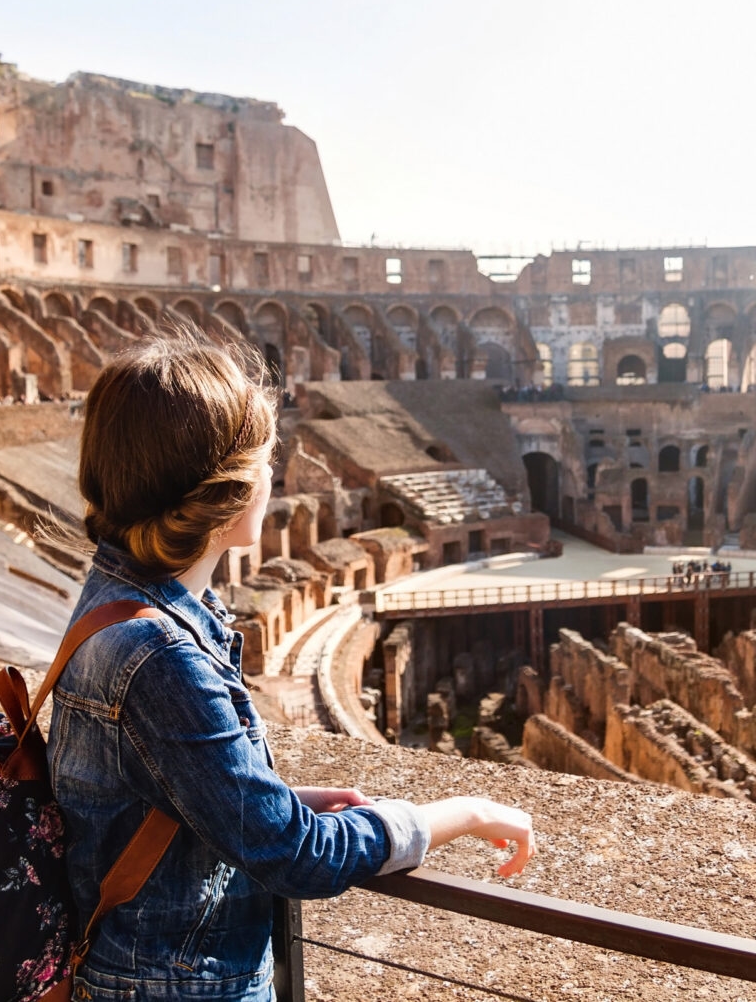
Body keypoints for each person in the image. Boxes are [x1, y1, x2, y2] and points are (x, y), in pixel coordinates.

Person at [48, 328, 535, 1002]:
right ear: (232, 487)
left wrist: (266, 801)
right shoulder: (160, 654)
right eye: (265, 459)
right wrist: (464, 812)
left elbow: (140, 788)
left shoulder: (120, 596)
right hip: (172, 985)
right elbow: (294, 856)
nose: (272, 475)